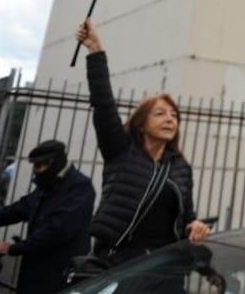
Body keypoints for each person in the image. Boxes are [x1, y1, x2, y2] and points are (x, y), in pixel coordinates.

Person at [75, 19, 211, 266]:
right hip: (118, 265)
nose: (170, 119)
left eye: (174, 115)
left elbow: (186, 219)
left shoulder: (181, 167)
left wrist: (197, 227)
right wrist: (95, 50)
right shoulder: (120, 150)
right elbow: (103, 104)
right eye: (160, 114)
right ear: (140, 124)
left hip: (164, 267)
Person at [0, 140, 95, 294]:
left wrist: (13, 248)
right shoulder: (48, 185)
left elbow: (57, 231)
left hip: (59, 272)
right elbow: (19, 209)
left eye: (39, 166)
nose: (36, 171)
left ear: (53, 163)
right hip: (36, 270)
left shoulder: (78, 187)